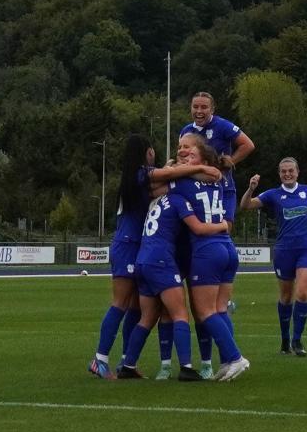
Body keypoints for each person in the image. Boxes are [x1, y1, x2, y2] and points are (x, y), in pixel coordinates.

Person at [88, 134, 221, 380]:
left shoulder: (137, 177)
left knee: (136, 309)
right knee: (121, 303)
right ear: (147, 152)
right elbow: (168, 176)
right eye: (152, 151)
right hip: (129, 245)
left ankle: (127, 363)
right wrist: (201, 165)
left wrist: (187, 168)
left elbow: (172, 176)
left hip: (138, 247)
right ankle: (100, 358)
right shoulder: (141, 174)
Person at [116, 171, 230, 381]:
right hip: (161, 260)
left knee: (148, 317)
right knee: (180, 314)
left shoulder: (154, 202)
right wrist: (223, 225)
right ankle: (186, 367)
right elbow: (197, 227)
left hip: (143, 260)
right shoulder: (178, 199)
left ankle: (128, 365)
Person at [171, 134, 250, 380]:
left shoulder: (183, 182)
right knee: (219, 309)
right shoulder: (217, 179)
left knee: (205, 312)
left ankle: (236, 357)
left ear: (203, 158)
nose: (184, 155)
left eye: (190, 152)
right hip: (226, 247)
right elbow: (214, 174)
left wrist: (175, 168)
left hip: (207, 248)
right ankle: (227, 361)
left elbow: (155, 185)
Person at [240, 157, 307, 356]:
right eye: (283, 171)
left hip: (306, 248)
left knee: (301, 293)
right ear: (279, 174)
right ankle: (285, 339)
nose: (287, 174)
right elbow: (246, 206)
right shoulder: (273, 195)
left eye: (290, 170)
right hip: (284, 250)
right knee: (285, 297)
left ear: (297, 171)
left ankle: (297, 340)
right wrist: (251, 188)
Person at [179, 91, 255, 229]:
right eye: (195, 107)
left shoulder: (222, 125)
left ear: (212, 109)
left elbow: (248, 145)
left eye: (204, 107)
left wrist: (230, 161)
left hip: (222, 187)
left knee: (225, 229)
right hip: (195, 190)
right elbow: (181, 158)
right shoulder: (186, 131)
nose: (199, 111)